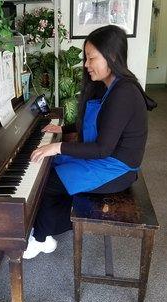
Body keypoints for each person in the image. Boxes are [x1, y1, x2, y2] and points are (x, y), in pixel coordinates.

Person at [23, 24, 157, 259]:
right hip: (105, 158)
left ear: (112, 56)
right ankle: (46, 224)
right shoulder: (109, 86)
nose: (86, 64)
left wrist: (57, 146)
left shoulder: (124, 92)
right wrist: (63, 129)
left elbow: (102, 148)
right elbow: (101, 125)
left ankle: (42, 238)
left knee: (50, 180)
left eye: (91, 58)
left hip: (117, 168)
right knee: (51, 167)